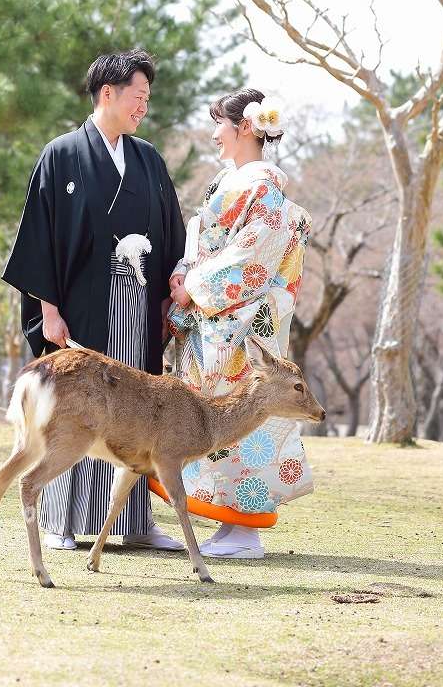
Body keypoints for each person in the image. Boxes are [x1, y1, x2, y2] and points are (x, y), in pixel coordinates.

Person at [2, 50, 187, 553]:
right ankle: (61, 521)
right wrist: (49, 309)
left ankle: (134, 521)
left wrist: (167, 298)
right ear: (108, 93)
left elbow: (171, 233)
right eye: (138, 96)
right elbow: (39, 238)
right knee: (78, 408)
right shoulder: (61, 154)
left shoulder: (148, 159)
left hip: (138, 309)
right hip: (80, 306)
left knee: (137, 409)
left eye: (147, 98)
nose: (143, 106)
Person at [169, 88, 314, 560]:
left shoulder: (264, 189)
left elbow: (250, 258)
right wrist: (183, 272)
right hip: (216, 321)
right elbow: (203, 241)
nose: (214, 134)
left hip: (243, 327)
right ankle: (228, 525)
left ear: (245, 127)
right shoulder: (230, 182)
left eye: (220, 124)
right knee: (214, 418)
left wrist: (195, 285)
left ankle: (245, 530)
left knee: (243, 420)